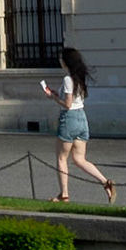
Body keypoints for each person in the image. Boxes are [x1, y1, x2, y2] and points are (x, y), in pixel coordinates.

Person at [39, 47, 116, 203]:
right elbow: (74, 99)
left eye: (61, 58)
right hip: (82, 118)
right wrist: (57, 94)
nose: (60, 60)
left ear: (66, 61)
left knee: (62, 158)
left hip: (69, 119)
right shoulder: (79, 77)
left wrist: (52, 97)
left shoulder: (68, 79)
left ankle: (64, 195)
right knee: (80, 159)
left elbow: (67, 104)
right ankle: (105, 182)